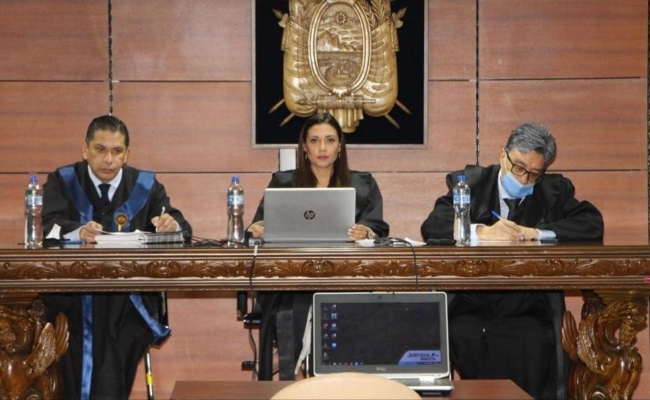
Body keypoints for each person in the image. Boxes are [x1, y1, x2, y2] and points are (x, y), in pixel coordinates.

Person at [420, 122, 603, 399]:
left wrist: (536, 233)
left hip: (526, 305)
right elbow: (433, 226)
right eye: (518, 167)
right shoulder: (470, 183)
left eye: (534, 174)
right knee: (463, 333)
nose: (524, 179)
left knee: (532, 341)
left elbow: (591, 224)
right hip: (473, 303)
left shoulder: (553, 191)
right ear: (503, 155)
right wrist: (481, 232)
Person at [41, 115, 192, 399]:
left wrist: (171, 224)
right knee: (70, 354)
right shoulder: (62, 181)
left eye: (117, 151)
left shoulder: (146, 186)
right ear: (85, 150)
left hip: (128, 301)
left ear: (127, 153)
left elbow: (180, 227)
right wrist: (78, 231)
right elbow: (50, 226)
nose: (108, 159)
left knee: (114, 352)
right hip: (73, 298)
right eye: (100, 149)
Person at [249, 112, 389, 380]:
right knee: (291, 307)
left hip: (345, 279)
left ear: (340, 146)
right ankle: (291, 378)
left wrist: (365, 232)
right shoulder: (283, 183)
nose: (322, 148)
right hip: (292, 280)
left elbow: (377, 227)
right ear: (304, 147)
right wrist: (258, 229)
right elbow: (261, 224)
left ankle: (339, 380)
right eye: (314, 140)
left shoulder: (362, 184)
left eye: (330, 140)